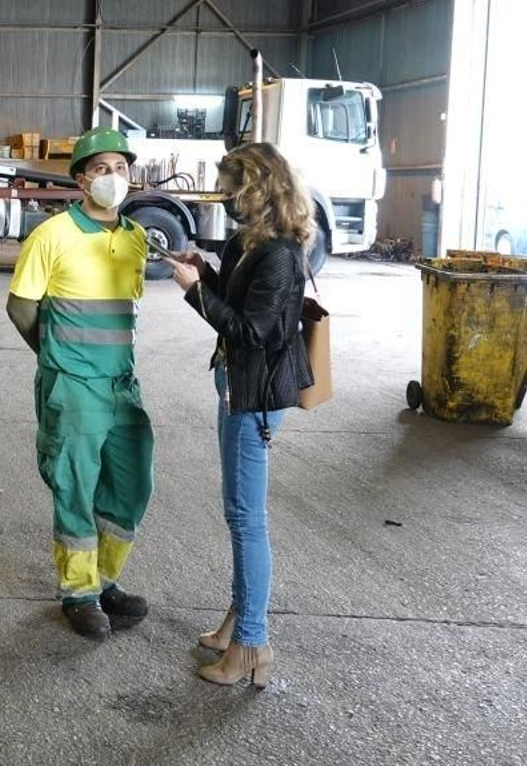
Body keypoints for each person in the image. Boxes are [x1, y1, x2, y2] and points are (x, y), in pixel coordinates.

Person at [164, 141, 314, 689]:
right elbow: (243, 301)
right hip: (238, 387)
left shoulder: (278, 252)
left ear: (256, 188)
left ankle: (252, 644)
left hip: (256, 396)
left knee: (247, 519)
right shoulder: (251, 243)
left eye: (232, 187)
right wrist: (203, 272)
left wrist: (194, 296)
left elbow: (254, 332)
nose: (226, 197)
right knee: (238, 515)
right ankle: (238, 620)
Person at [6, 127, 153, 640]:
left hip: (121, 384)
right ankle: (78, 592)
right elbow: (21, 307)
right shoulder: (51, 236)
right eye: (101, 169)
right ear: (80, 180)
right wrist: (55, 360)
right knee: (75, 488)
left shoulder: (136, 238)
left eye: (121, 168)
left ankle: (104, 579)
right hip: (73, 385)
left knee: (132, 484)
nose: (114, 177)